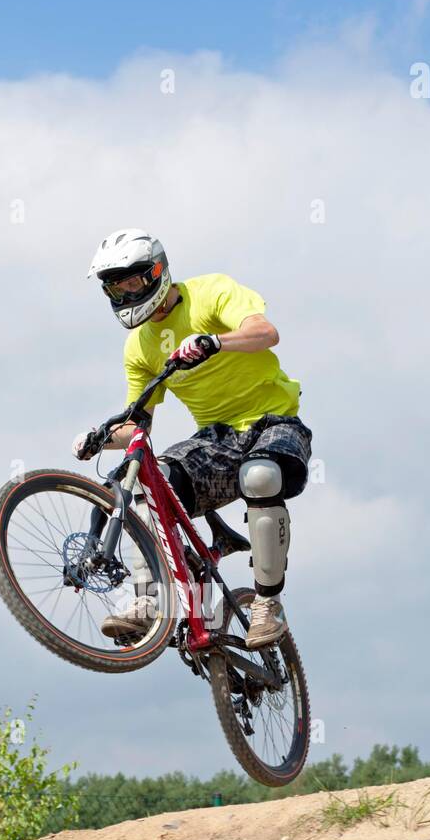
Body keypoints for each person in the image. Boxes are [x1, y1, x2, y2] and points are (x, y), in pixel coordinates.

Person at [73, 229, 311, 649]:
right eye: (116, 286)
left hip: (273, 420)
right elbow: (137, 426)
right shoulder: (139, 347)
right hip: (214, 439)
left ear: (158, 273)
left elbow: (266, 333)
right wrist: (99, 439)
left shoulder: (211, 291)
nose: (127, 292)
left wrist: (215, 342)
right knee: (148, 478)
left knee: (259, 477)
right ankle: (152, 601)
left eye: (134, 281)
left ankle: (268, 604)